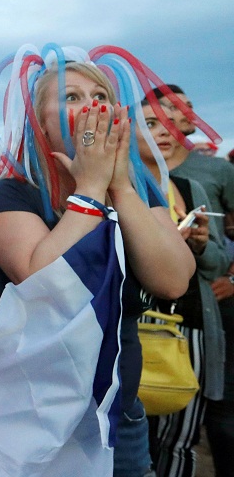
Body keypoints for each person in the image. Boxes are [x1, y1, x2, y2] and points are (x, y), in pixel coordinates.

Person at [0, 49, 195, 477]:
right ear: (40, 122)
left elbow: (173, 281)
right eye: (72, 97)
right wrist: (90, 187)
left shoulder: (137, 188)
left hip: (119, 415)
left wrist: (121, 188)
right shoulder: (11, 194)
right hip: (32, 417)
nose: (92, 104)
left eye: (100, 94)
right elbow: (43, 280)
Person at [133, 99, 228, 477]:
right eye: (153, 123)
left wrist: (201, 245)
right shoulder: (119, 189)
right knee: (130, 435)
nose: (165, 132)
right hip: (135, 326)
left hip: (190, 327)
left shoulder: (193, 188)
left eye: (172, 125)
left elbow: (219, 263)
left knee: (181, 439)